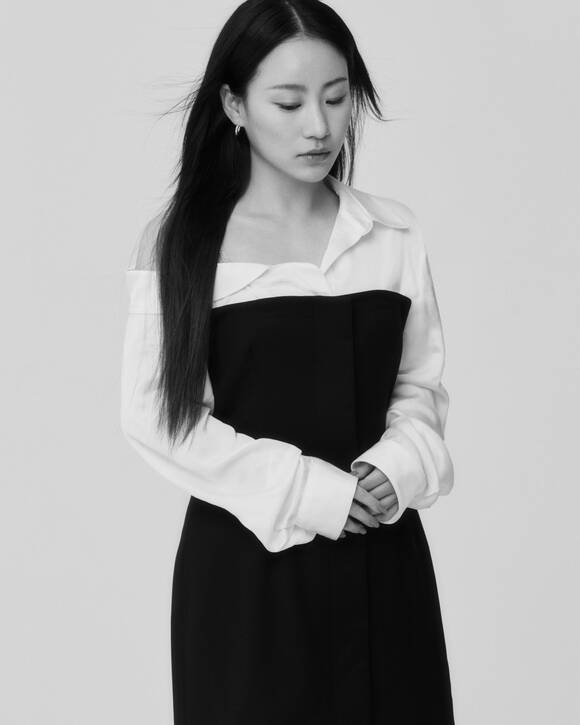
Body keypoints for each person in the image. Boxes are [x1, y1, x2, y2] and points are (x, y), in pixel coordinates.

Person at [120, 1, 456, 722]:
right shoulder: (182, 245)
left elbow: (419, 387)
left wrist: (397, 465)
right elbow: (159, 419)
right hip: (246, 579)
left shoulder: (393, 232)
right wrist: (311, 492)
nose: (319, 126)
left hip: (383, 561)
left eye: (336, 98)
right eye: (289, 102)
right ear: (234, 105)